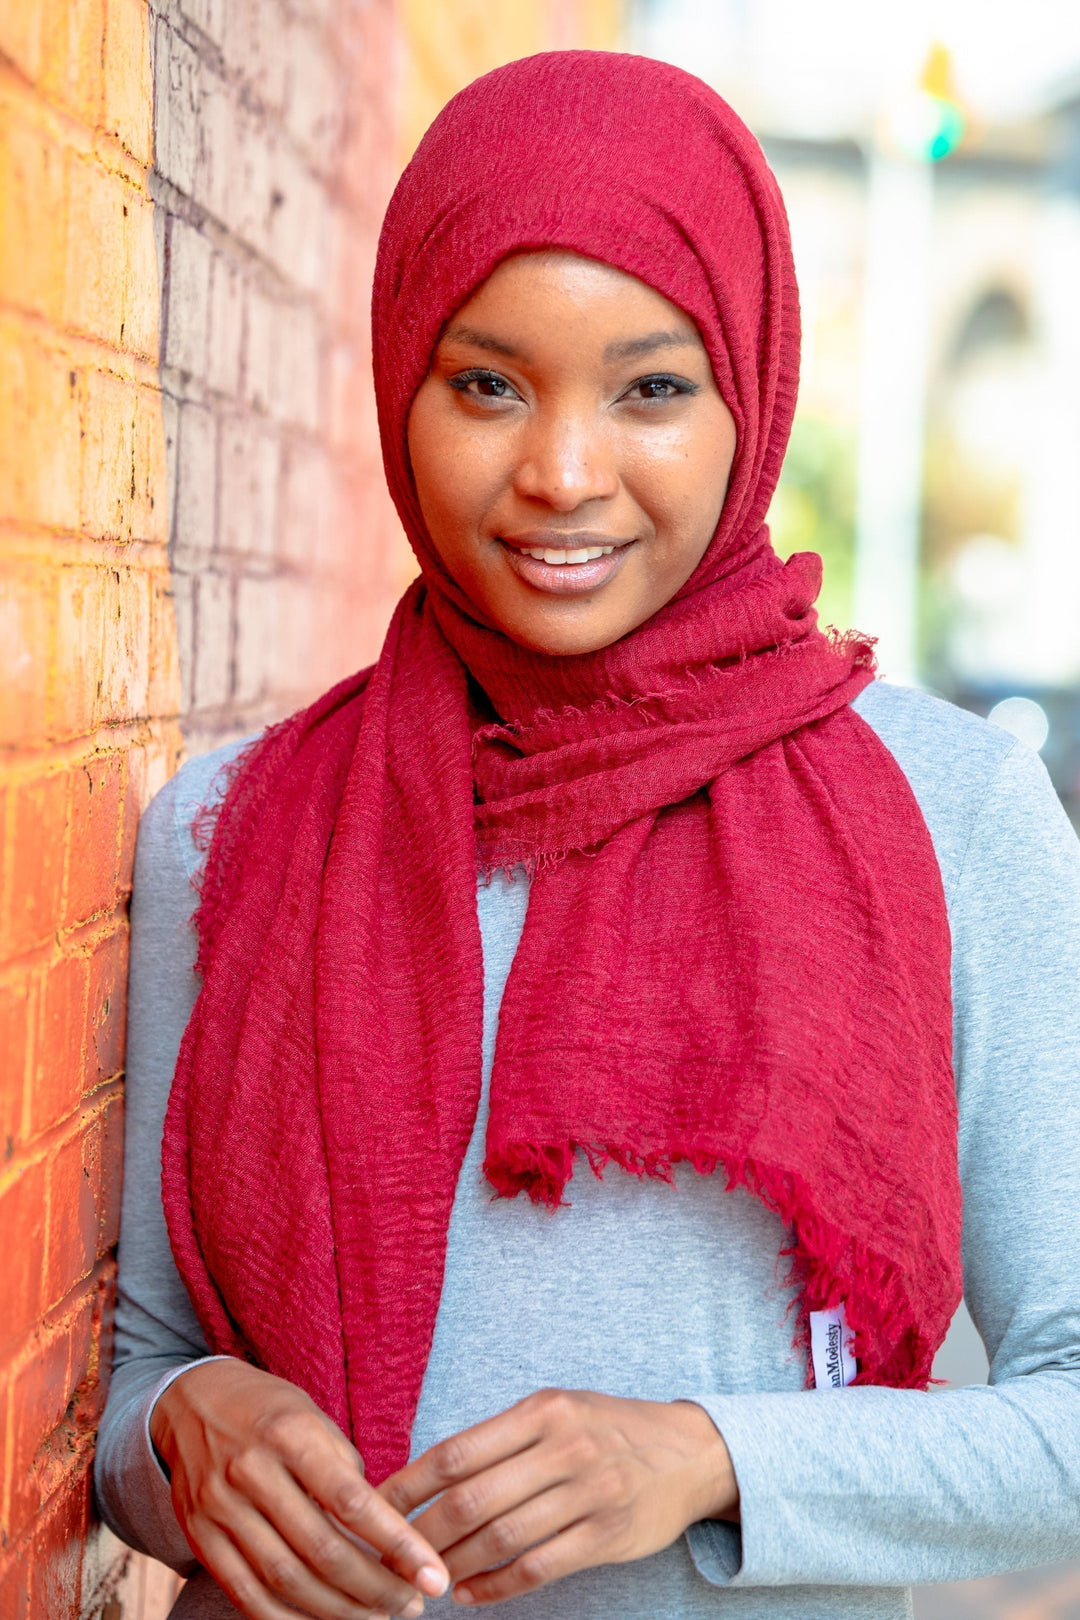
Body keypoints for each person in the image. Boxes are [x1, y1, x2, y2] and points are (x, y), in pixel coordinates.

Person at [95, 50, 1080, 1620]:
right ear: (401, 378)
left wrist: (706, 1460)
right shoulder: (228, 828)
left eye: (652, 388)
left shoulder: (951, 817)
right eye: (487, 383)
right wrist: (183, 1428)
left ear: (748, 393)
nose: (560, 472)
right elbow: (137, 1385)